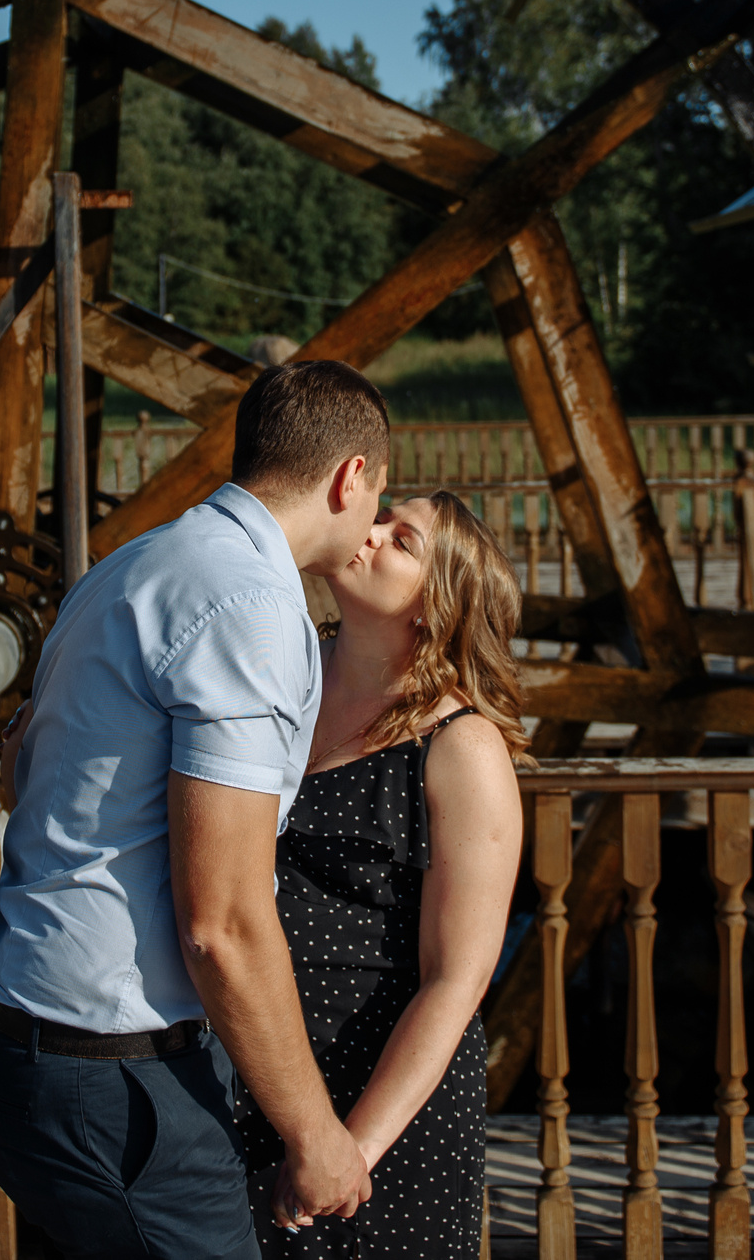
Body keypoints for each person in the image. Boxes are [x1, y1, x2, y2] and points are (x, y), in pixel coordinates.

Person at [0, 360, 393, 1260]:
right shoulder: (251, 605)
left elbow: (25, 769)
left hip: (31, 1036)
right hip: (115, 1075)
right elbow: (223, 923)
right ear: (349, 476)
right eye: (377, 494)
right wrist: (315, 1133)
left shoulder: (136, 564)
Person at [242, 488, 528, 1257]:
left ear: (434, 608)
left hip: (377, 1105)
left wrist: (348, 1151)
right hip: (253, 1069)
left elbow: (456, 979)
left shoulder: (462, 749)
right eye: (381, 518)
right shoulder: (282, 673)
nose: (367, 533)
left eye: (401, 540)